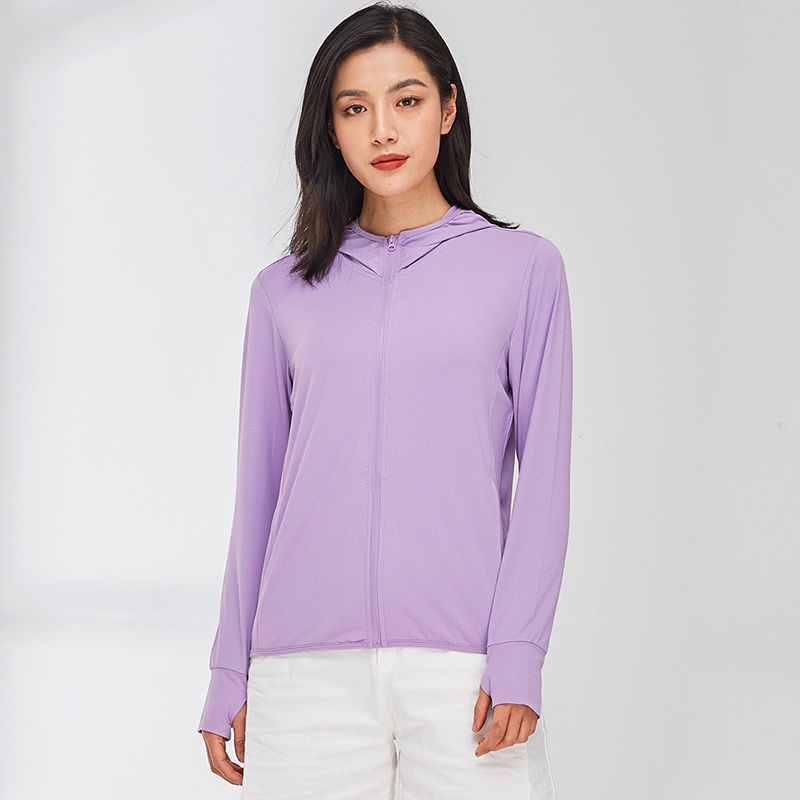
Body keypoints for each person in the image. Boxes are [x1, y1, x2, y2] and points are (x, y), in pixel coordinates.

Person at [198, 3, 573, 798]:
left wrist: (518, 652)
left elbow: (545, 482)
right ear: (331, 130)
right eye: (353, 108)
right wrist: (231, 669)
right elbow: (258, 492)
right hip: (303, 676)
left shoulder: (524, 270)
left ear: (448, 107)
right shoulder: (282, 293)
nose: (382, 130)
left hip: (466, 674)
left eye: (406, 100)